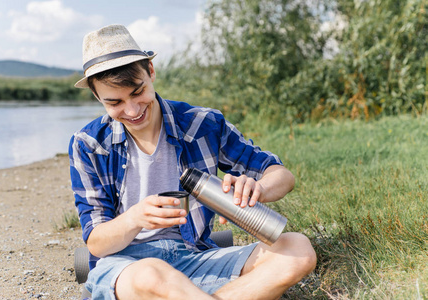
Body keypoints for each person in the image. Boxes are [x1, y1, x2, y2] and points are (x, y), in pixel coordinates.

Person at [69, 24, 316, 300]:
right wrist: (135, 217)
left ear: (150, 71)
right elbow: (97, 243)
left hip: (196, 258)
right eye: (114, 102)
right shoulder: (89, 144)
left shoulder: (203, 124)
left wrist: (259, 189)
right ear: (96, 95)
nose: (132, 110)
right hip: (127, 268)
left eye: (138, 92)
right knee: (152, 274)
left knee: (297, 250)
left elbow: (281, 174)